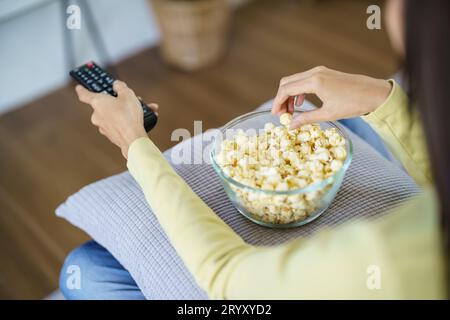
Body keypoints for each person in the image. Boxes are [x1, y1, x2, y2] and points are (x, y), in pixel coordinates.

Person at [60, 0, 449, 299]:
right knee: (340, 123)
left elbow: (230, 277)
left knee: (85, 268)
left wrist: (135, 144)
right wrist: (381, 97)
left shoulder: (391, 259)